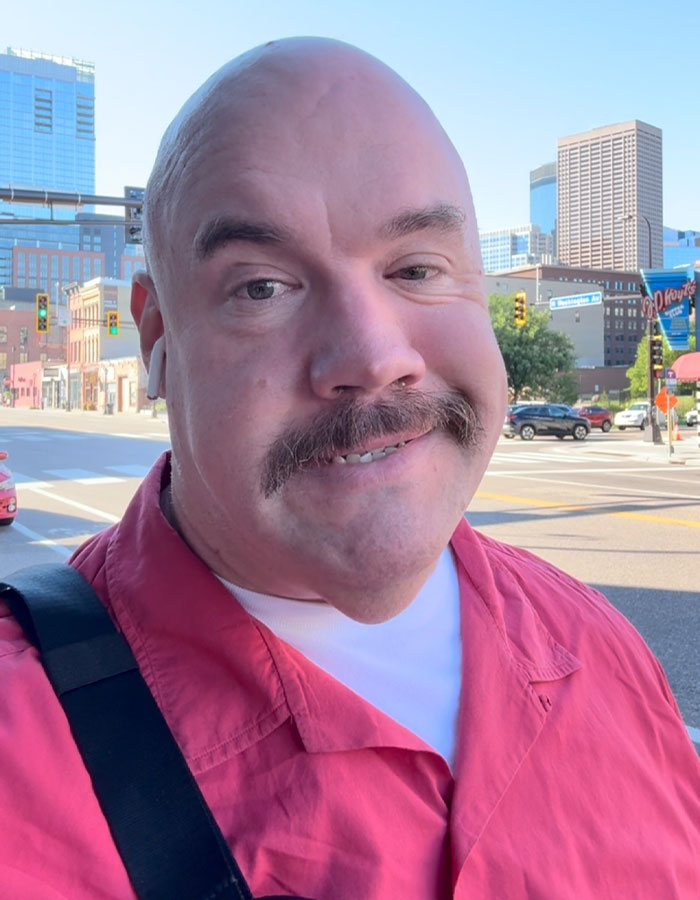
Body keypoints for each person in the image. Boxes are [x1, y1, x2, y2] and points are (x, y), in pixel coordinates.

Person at [1, 37, 698, 900]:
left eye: (415, 269)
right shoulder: (21, 755)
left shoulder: (603, 648)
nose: (373, 356)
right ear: (157, 340)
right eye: (261, 287)